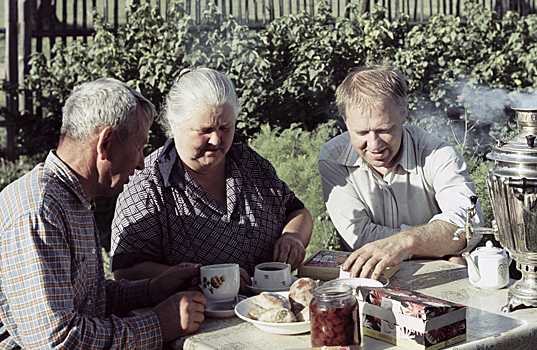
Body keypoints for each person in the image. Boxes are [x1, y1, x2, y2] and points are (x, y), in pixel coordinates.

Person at [0, 78, 207, 349]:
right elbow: (57, 341)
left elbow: (89, 299)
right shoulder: (40, 211)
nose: (142, 163)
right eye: (139, 146)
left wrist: (152, 289)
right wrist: (158, 324)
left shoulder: (73, 198)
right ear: (106, 142)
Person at [110, 67, 313, 292]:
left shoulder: (248, 163)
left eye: (225, 128)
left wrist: (293, 238)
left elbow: (297, 213)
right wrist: (204, 276)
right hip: (197, 321)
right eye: (204, 130)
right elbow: (126, 270)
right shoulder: (148, 184)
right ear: (174, 124)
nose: (216, 140)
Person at [318, 65, 483, 280]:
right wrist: (437, 245)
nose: (374, 144)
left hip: (436, 279)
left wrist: (404, 243)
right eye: (361, 132)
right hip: (369, 281)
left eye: (385, 130)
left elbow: (469, 225)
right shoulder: (333, 157)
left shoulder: (439, 154)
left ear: (404, 112)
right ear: (344, 119)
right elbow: (358, 237)